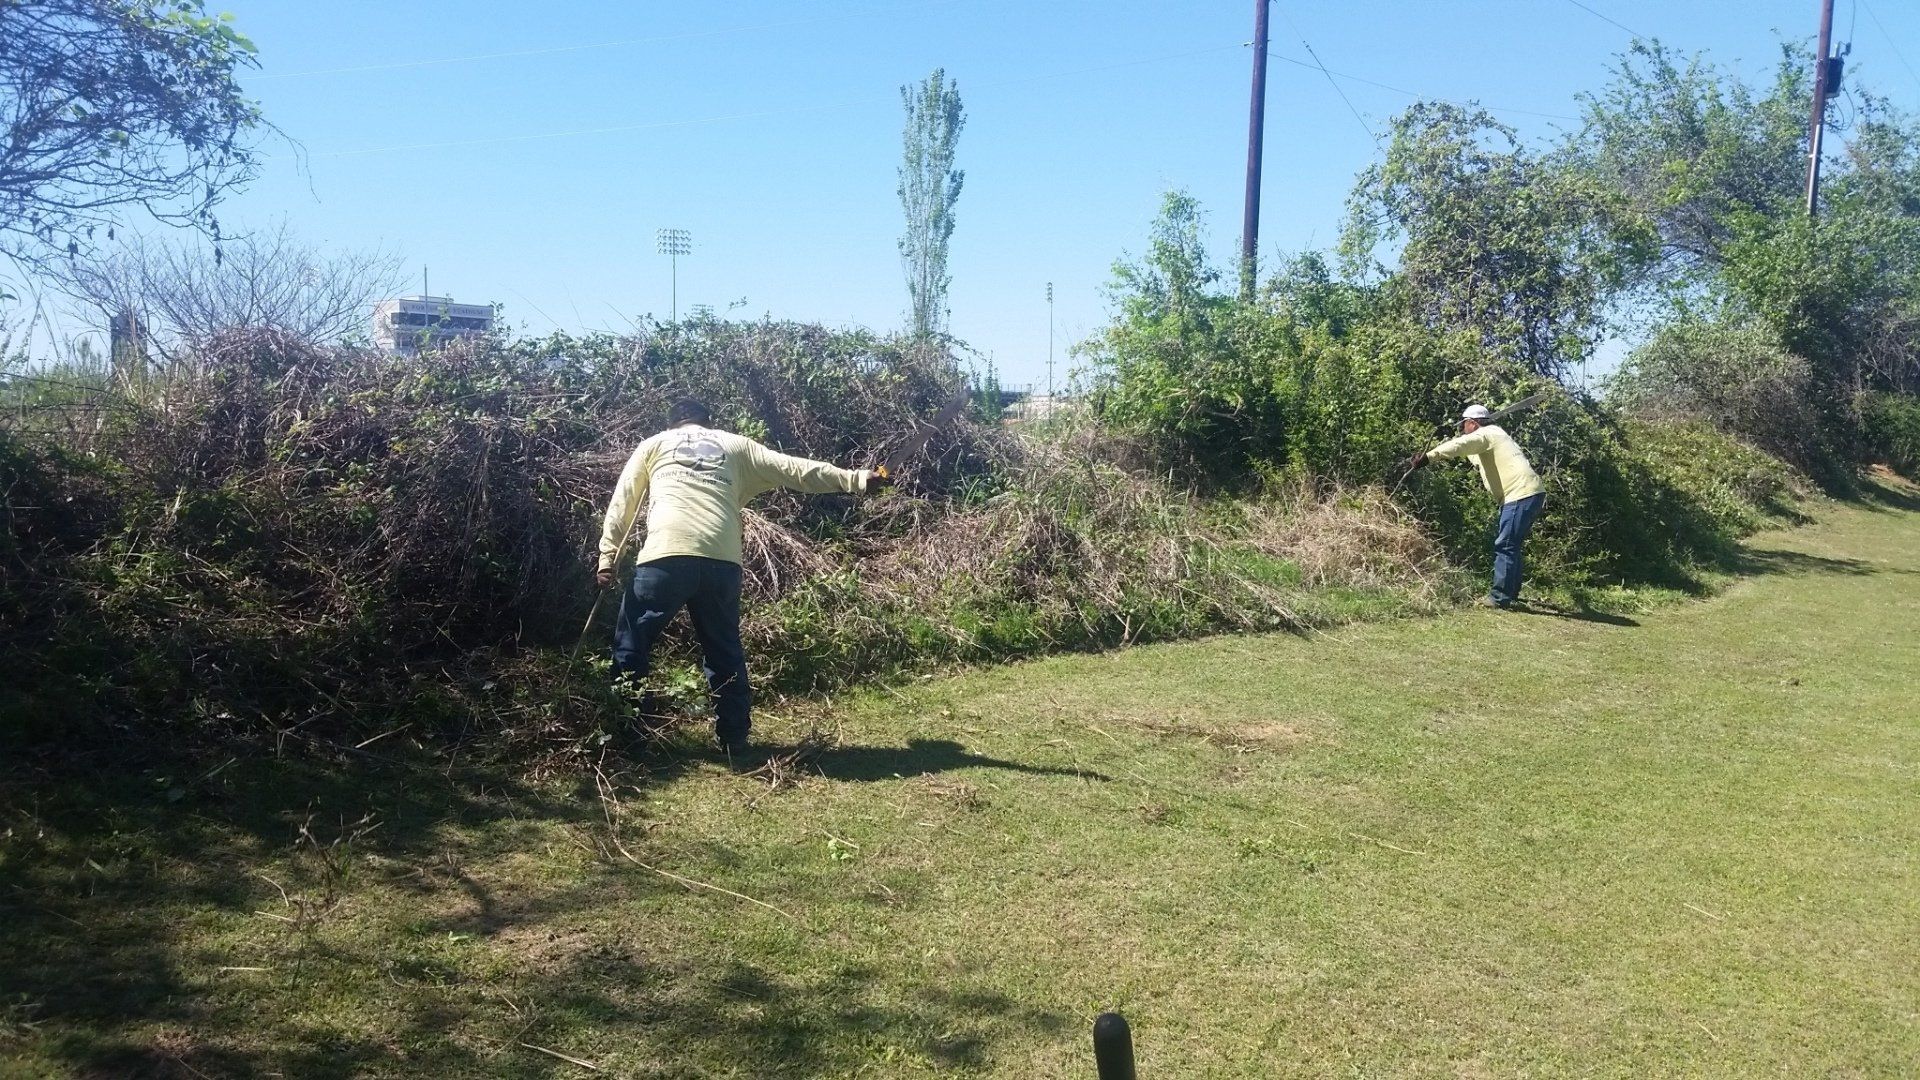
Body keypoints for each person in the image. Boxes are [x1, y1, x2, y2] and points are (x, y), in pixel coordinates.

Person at [595, 398, 890, 755]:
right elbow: (795, 469)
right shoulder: (735, 444)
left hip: (665, 557)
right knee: (723, 651)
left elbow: (623, 501)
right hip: (722, 561)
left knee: (633, 645)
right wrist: (856, 479)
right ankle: (734, 739)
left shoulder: (654, 445)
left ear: (672, 425)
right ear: (708, 422)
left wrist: (608, 556)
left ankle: (628, 736)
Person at [1405, 404, 1546, 609]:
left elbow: (1463, 444)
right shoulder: (1494, 436)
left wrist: (1429, 457)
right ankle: (1510, 595)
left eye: (1464, 426)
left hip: (1520, 494)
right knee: (1511, 546)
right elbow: (1466, 450)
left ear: (1472, 423)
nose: (1463, 430)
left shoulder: (1488, 433)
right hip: (1528, 494)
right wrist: (1436, 455)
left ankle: (1500, 598)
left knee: (1505, 545)